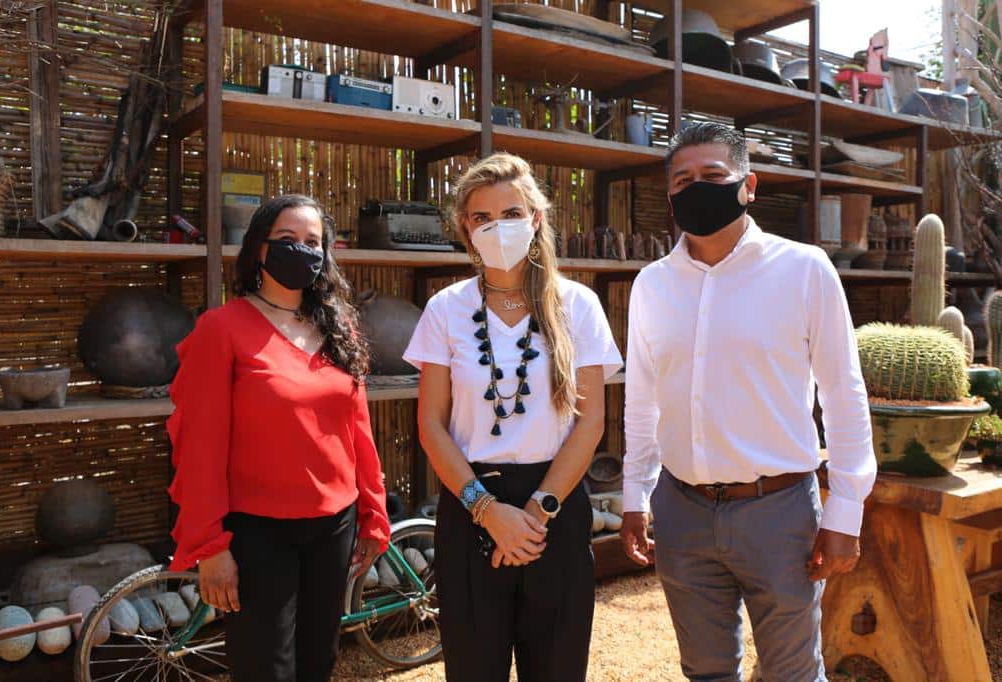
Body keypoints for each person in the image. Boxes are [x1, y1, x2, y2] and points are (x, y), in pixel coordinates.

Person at [620, 122, 876, 682]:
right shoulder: (652, 285)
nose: (697, 188)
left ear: (748, 185)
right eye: (683, 180)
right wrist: (635, 495)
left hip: (778, 512)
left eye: (713, 175)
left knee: (792, 674)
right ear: (670, 196)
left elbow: (842, 393)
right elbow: (641, 400)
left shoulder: (804, 270)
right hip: (682, 510)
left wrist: (846, 510)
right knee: (706, 673)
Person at [404, 152, 623, 681]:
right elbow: (431, 425)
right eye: (482, 217)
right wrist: (488, 512)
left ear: (536, 219)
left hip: (555, 507)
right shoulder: (445, 309)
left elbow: (590, 423)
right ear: (465, 228)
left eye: (511, 214)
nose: (497, 227)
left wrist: (536, 514)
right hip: (470, 503)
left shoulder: (579, 305)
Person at [166, 194, 390, 682]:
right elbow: (199, 444)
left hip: (334, 526)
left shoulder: (338, 328)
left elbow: (357, 429)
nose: (301, 250)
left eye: (313, 242)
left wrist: (374, 513)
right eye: (288, 239)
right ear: (259, 248)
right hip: (257, 533)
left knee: (318, 660)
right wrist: (209, 545)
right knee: (265, 668)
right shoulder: (221, 328)